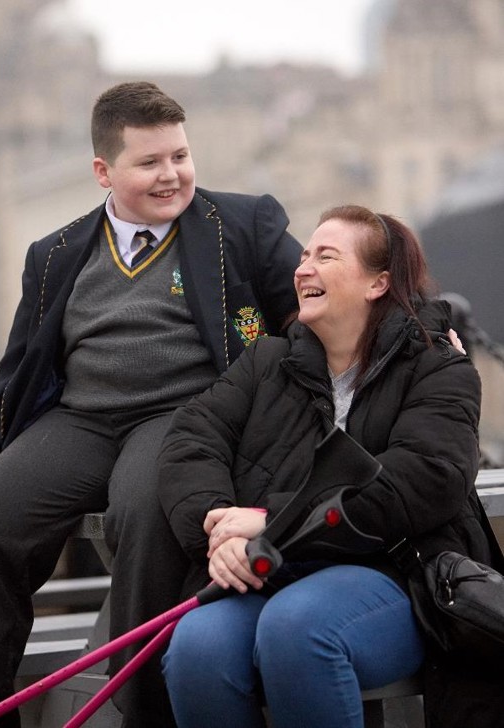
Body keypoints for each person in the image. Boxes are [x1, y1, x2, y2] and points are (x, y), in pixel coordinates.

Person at [0, 81, 302, 728]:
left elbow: (318, 299)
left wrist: (413, 321)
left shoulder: (242, 225)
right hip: (82, 419)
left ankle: (141, 711)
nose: (172, 175)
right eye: (149, 162)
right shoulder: (54, 255)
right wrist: (0, 464)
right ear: (103, 171)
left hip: (183, 415)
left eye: (180, 156)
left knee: (144, 509)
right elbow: (18, 373)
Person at [157, 205, 504, 728]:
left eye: (326, 255)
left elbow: (424, 480)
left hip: (394, 575)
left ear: (377, 283)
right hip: (272, 571)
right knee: (196, 648)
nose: (303, 268)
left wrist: (271, 520)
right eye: (303, 255)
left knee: (298, 629)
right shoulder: (267, 362)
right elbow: (189, 441)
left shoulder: (438, 369)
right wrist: (218, 530)